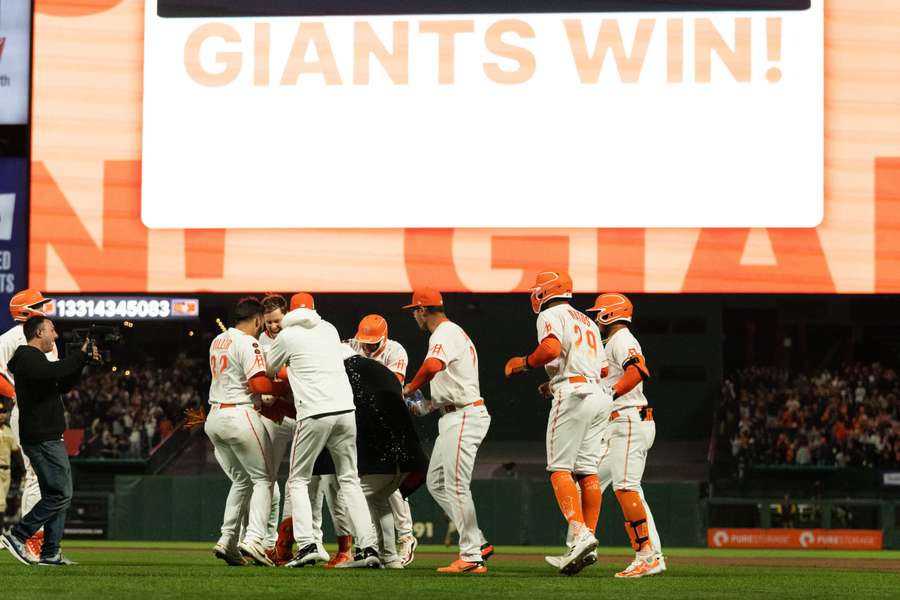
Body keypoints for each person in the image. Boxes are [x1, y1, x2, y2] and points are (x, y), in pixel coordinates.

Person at [505, 271, 612, 575]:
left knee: (559, 469)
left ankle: (580, 535)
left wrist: (524, 363)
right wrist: (554, 381)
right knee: (587, 472)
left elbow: (550, 348)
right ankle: (588, 539)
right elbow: (602, 370)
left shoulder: (552, 312)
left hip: (574, 394)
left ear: (545, 291)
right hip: (597, 393)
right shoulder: (588, 320)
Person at [265, 293, 379, 568]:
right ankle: (368, 547)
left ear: (290, 312)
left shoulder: (287, 335)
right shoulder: (329, 329)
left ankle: (308, 545)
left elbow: (269, 369)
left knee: (298, 481)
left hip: (314, 412)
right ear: (314, 310)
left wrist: (290, 367)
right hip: (345, 410)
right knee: (349, 480)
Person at [402, 288, 493, 574]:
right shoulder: (451, 333)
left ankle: (471, 556)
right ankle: (477, 541)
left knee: (454, 485)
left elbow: (432, 365)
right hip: (454, 413)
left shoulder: (444, 332)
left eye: (414, 310)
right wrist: (427, 405)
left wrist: (409, 388)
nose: (414, 316)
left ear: (422, 310)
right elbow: (451, 383)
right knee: (437, 482)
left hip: (464, 415)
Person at [0, 315, 96, 566]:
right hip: (43, 437)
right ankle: (19, 534)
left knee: (55, 493)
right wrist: (78, 357)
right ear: (39, 333)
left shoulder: (34, 361)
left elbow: (61, 383)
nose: (55, 336)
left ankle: (50, 552)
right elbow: (55, 371)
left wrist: (82, 361)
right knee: (61, 494)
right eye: (52, 331)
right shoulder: (27, 356)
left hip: (45, 435)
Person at [586, 293, 665, 577]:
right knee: (598, 478)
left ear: (610, 314)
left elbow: (639, 370)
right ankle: (583, 545)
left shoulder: (623, 339)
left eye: (599, 313)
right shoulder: (615, 342)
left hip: (628, 419)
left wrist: (610, 393)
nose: (596, 319)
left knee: (626, 488)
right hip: (622, 423)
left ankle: (646, 556)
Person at [205, 297, 281, 567]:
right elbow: (259, 384)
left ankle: (227, 541)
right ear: (258, 319)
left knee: (241, 481)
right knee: (263, 479)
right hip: (239, 412)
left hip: (214, 416)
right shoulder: (249, 342)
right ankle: (254, 539)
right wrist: (286, 388)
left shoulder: (219, 339)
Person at [346, 314, 418, 566]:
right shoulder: (353, 345)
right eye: (363, 342)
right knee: (378, 489)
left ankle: (406, 535)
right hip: (364, 422)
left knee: (389, 484)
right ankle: (381, 550)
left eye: (372, 344)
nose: (366, 348)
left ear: (384, 339)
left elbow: (391, 387)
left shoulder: (396, 351)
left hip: (389, 420)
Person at [0, 289, 58, 559]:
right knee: (37, 475)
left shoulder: (46, 335)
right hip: (27, 412)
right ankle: (26, 538)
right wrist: (18, 394)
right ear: (27, 311)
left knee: (47, 479)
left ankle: (38, 540)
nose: (44, 309)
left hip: (44, 410)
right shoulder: (11, 337)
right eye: (39, 306)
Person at [256, 294, 303, 564]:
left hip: (300, 414)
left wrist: (277, 384)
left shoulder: (298, 336)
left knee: (303, 484)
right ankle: (262, 539)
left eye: (278, 320)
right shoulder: (259, 341)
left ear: (287, 315)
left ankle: (305, 540)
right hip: (274, 415)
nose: (274, 326)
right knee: (266, 479)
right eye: (269, 321)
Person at [0, 409, 24, 527]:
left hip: (7, 471)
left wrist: (23, 470)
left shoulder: (9, 432)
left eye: (3, 412)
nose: (2, 414)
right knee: (1, 503)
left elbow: (16, 453)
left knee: (2, 502)